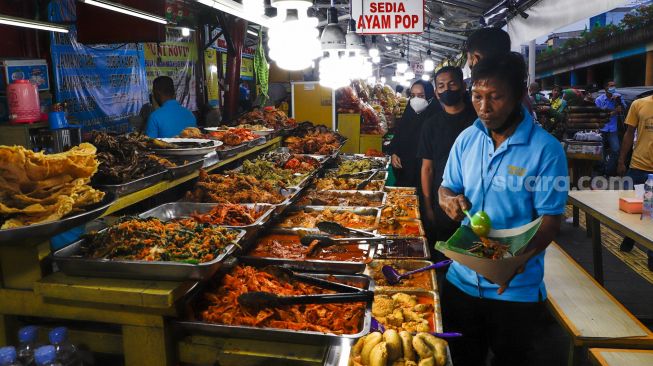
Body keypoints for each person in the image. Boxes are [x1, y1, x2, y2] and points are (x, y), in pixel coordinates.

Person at [438, 53, 568, 366]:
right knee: (460, 358)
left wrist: (516, 261)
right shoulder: (467, 139)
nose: (484, 107)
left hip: (514, 291)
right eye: (477, 96)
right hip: (461, 282)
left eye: (495, 97)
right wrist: (447, 200)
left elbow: (551, 220)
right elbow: (447, 186)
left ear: (518, 95)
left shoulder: (547, 151)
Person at [418, 66, 477, 244]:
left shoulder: (478, 121)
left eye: (452, 84)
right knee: (445, 251)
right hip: (443, 201)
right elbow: (427, 168)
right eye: (441, 86)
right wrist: (428, 206)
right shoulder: (431, 125)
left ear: (463, 86)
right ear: (436, 92)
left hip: (476, 199)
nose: (447, 90)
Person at [617, 94, 653, 270]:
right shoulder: (639, 104)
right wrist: (622, 160)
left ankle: (651, 253)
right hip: (639, 166)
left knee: (651, 212)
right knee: (635, 208)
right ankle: (630, 236)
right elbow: (629, 133)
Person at [388, 80, 437, 187]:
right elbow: (398, 137)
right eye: (413, 95)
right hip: (404, 173)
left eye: (421, 96)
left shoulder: (436, 119)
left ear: (429, 96)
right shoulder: (408, 113)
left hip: (427, 177)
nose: (415, 100)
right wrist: (394, 153)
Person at [595, 81, 627, 176]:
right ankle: (601, 170)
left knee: (616, 150)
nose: (613, 87)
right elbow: (599, 114)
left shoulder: (618, 97)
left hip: (613, 129)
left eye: (614, 86)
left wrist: (619, 101)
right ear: (606, 88)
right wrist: (613, 112)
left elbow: (624, 109)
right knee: (600, 151)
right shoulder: (599, 100)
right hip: (601, 128)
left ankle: (608, 170)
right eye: (611, 86)